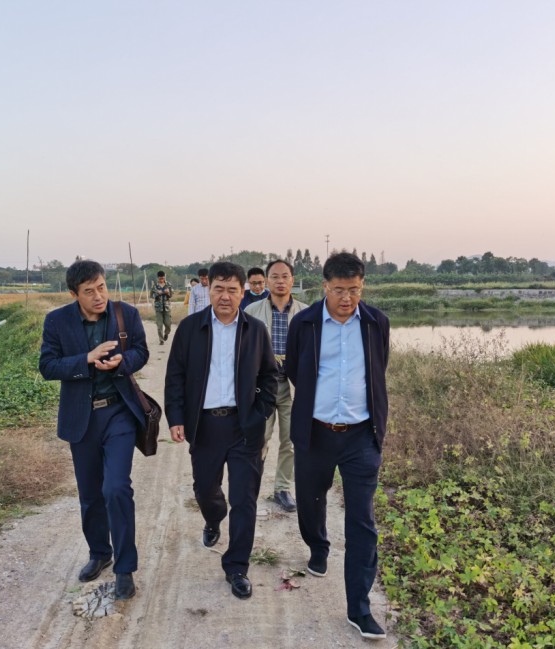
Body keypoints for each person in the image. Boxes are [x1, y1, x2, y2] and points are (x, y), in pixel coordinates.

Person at [285, 252, 390, 640]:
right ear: (325, 286)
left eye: (355, 290)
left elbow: (378, 368)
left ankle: (359, 608)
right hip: (316, 432)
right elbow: (294, 369)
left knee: (362, 521)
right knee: (310, 501)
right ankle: (318, 547)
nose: (348, 298)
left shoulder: (376, 322)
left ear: (363, 286)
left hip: (362, 435)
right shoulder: (304, 323)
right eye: (340, 290)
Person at [164, 261, 278, 600]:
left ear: (242, 293)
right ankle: (214, 519)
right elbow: (175, 376)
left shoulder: (255, 329)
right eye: (219, 289)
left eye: (232, 290)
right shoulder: (190, 328)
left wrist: (260, 413)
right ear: (208, 289)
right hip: (205, 425)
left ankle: (237, 567)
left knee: (245, 499)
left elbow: (269, 376)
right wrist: (176, 417)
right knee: (205, 489)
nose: (225, 296)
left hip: (245, 427)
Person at [39, 259, 150, 600]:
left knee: (116, 488)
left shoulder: (125, 314)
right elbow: (47, 366)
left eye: (101, 287)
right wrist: (86, 358)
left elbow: (141, 351)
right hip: (81, 417)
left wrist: (122, 362)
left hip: (119, 413)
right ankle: (100, 553)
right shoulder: (57, 321)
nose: (98, 296)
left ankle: (125, 568)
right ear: (74, 294)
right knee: (90, 494)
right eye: (89, 291)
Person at [244, 259, 307, 513]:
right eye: (275, 277)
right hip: (263, 387)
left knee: (290, 440)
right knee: (259, 437)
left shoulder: (305, 313)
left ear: (292, 280)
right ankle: (250, 486)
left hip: (293, 387)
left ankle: (282, 488)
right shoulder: (251, 311)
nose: (280, 281)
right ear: (266, 281)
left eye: (285, 276)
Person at [151, 270, 173, 345]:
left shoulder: (168, 285)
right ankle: (161, 340)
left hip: (167, 307)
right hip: (158, 308)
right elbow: (152, 295)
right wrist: (158, 293)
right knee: (159, 325)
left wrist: (168, 293)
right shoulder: (155, 286)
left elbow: (171, 295)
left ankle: (166, 333)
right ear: (158, 278)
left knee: (168, 323)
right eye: (160, 278)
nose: (161, 280)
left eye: (163, 278)